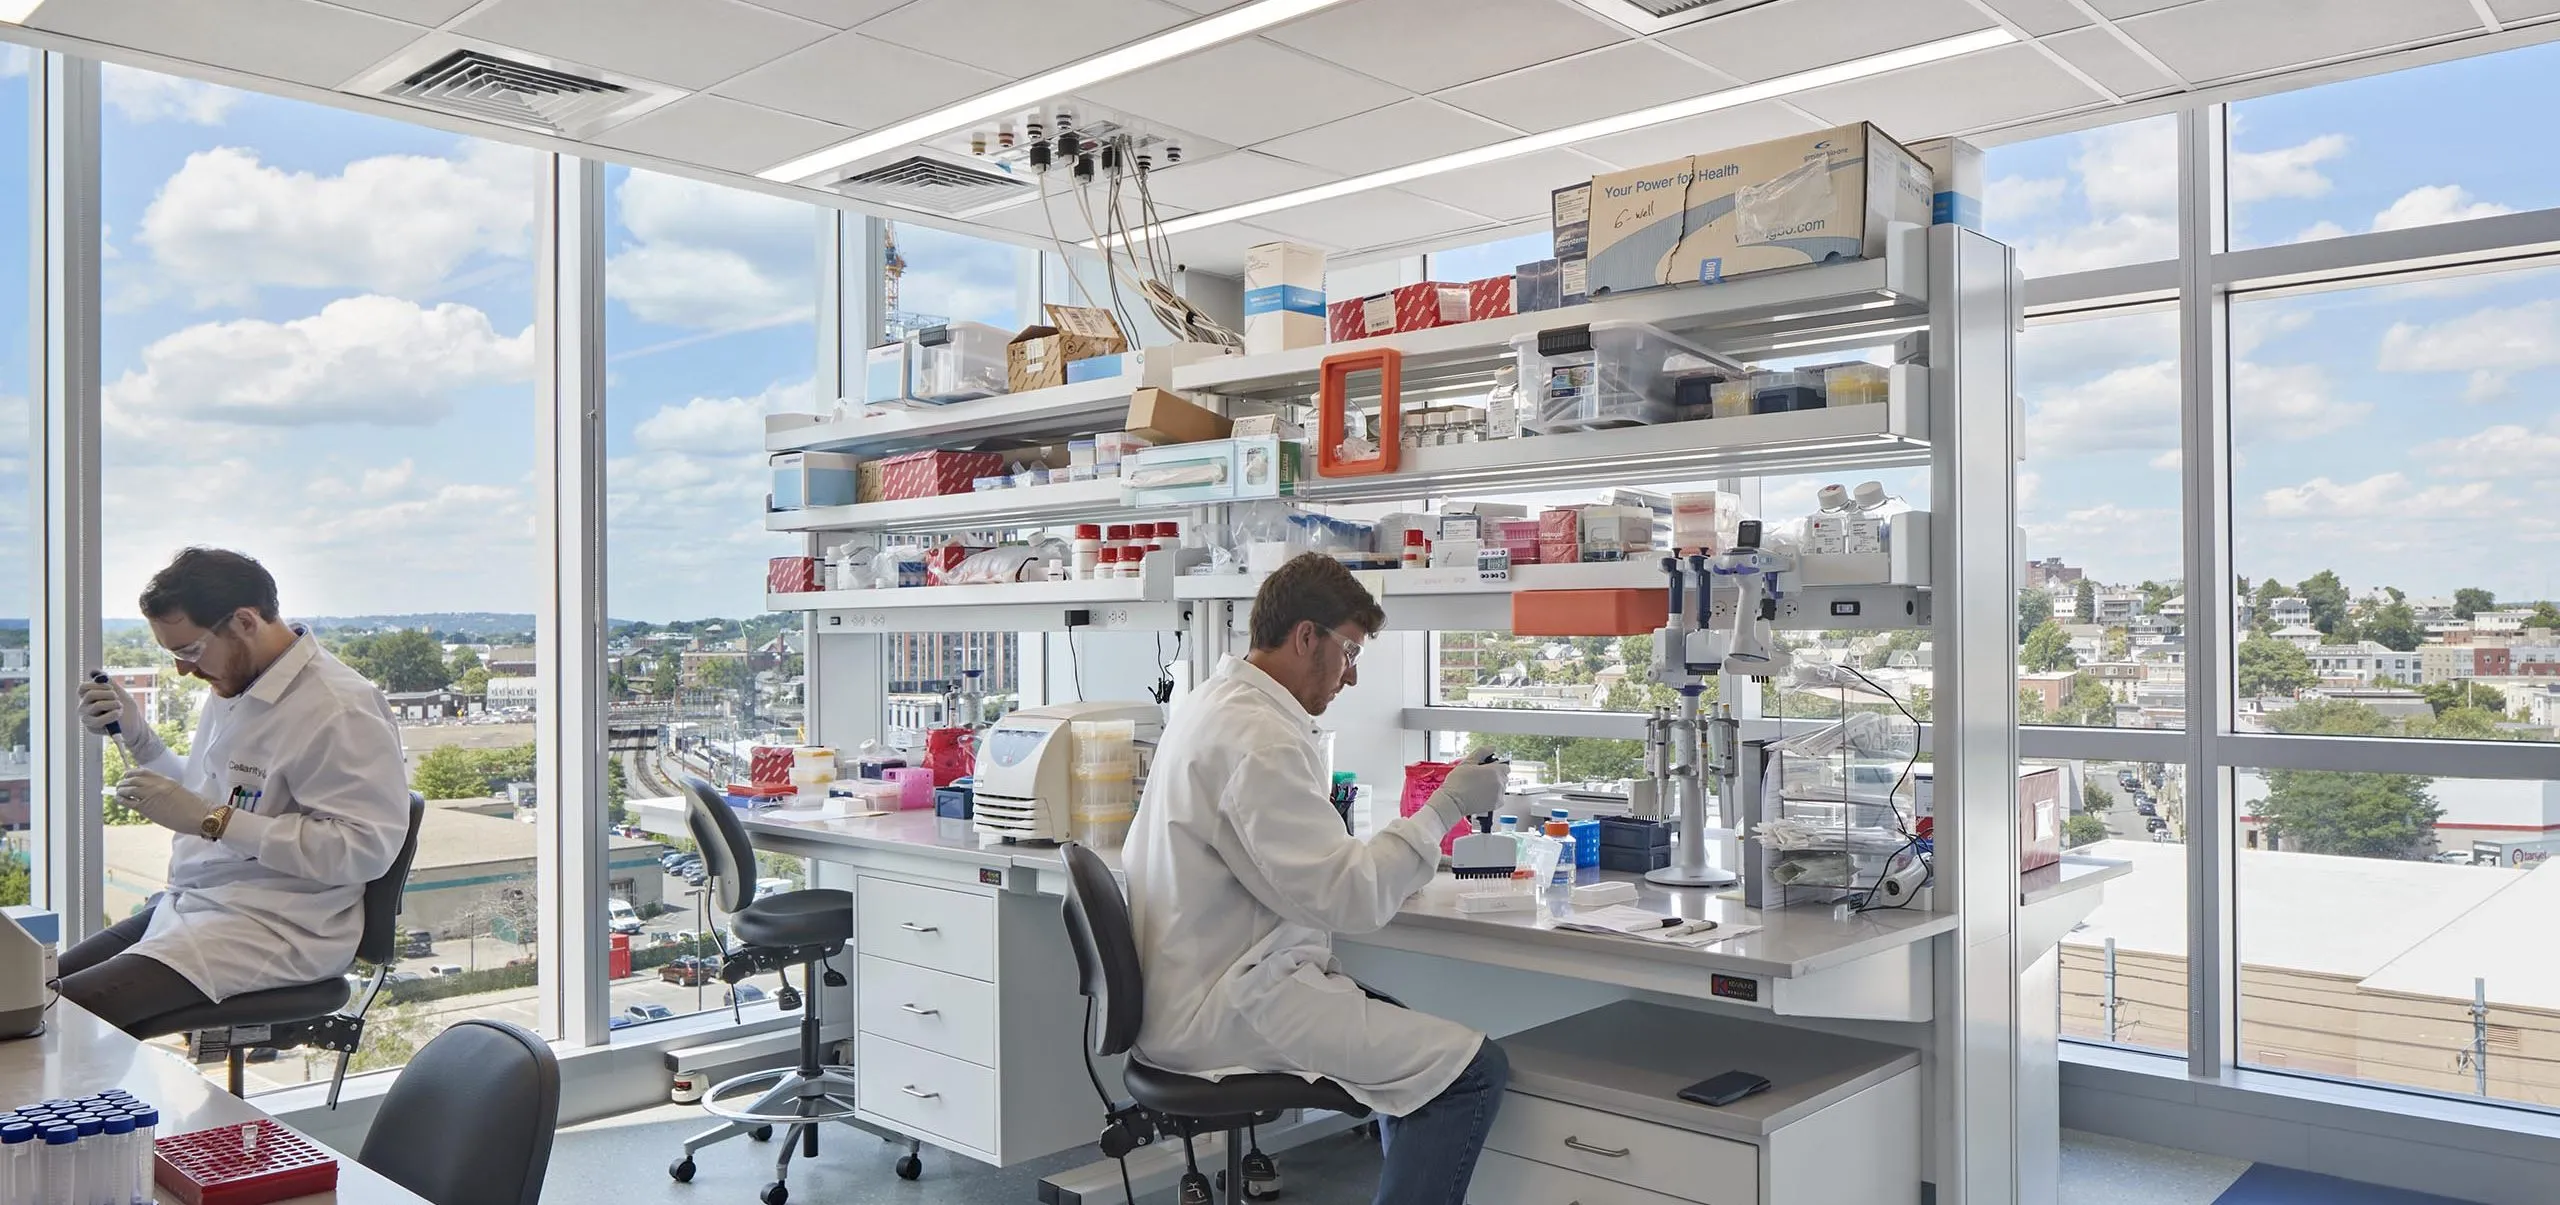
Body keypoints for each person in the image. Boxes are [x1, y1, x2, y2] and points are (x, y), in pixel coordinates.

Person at [1125, 553, 1511, 1205]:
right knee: (1468, 1071)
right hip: (1229, 1002)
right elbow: (1350, 896)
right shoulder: (1260, 738)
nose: (1352, 676)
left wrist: (1400, 852)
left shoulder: (1216, 702)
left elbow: (1302, 869)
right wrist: (1445, 805)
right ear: (1307, 636)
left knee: (1403, 1044)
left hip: (1210, 977)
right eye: (1350, 651)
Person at [62, 547, 410, 1038]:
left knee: (57, 1022)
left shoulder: (338, 708)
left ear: (245, 621)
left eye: (189, 650)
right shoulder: (238, 683)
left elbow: (363, 850)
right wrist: (139, 739)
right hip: (201, 902)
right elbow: (213, 799)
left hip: (278, 926)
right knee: (33, 991)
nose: (185, 670)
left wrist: (214, 820)